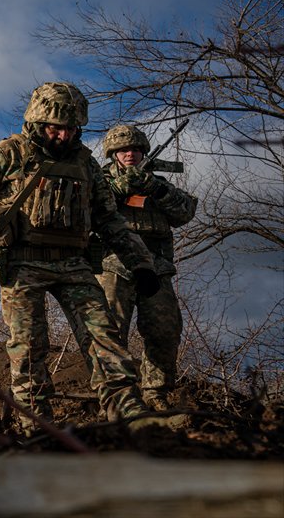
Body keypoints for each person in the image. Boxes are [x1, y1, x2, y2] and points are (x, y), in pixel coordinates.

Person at [0, 82, 161, 433]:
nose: (64, 135)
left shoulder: (86, 164)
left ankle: (130, 414)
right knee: (29, 346)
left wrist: (140, 262)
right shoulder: (7, 153)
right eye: (56, 128)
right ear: (36, 122)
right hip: (21, 262)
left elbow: (109, 219)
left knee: (104, 337)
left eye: (71, 129)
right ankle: (36, 425)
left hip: (73, 263)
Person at [96, 124, 196, 411]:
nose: (130, 154)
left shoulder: (158, 183)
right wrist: (116, 191)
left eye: (135, 149)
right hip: (113, 263)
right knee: (110, 331)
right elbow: (85, 212)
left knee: (165, 329)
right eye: (123, 149)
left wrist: (156, 188)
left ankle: (156, 392)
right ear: (113, 153)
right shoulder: (99, 182)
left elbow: (185, 212)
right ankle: (114, 394)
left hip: (156, 266)